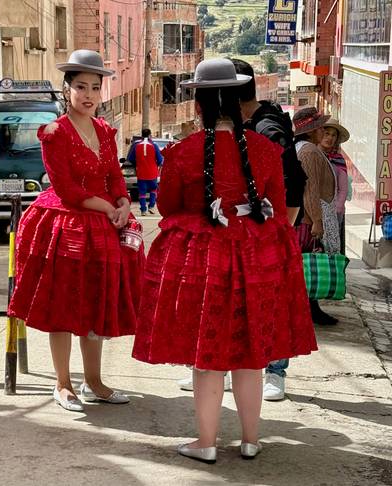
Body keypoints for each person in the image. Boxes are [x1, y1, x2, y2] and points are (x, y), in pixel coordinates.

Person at [132, 58, 317, 463]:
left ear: (198, 105)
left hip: (203, 262)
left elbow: (167, 206)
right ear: (239, 101)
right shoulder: (266, 149)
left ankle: (207, 442)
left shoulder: (183, 152)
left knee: (208, 358)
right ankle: (251, 439)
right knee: (252, 357)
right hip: (259, 258)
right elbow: (275, 198)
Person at [8, 50, 144, 412]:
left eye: (95, 88)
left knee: (95, 303)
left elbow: (115, 174)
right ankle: (63, 383)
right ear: (66, 90)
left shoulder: (104, 129)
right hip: (65, 225)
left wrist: (123, 202)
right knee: (64, 305)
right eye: (81, 86)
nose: (88, 94)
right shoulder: (54, 133)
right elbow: (67, 189)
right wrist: (108, 207)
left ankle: (94, 382)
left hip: (102, 226)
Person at [232, 59, 308, 401]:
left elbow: (294, 182)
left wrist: (282, 229)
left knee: (273, 304)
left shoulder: (267, 129)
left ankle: (275, 372)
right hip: (247, 234)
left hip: (269, 234)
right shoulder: (246, 122)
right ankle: (235, 367)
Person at [293, 106, 340, 325]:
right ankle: (309, 309)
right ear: (311, 130)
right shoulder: (309, 151)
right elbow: (309, 189)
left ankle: (310, 308)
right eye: (320, 126)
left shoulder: (305, 148)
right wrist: (317, 221)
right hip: (309, 219)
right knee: (310, 263)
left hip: (310, 216)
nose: (323, 129)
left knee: (308, 264)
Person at [319, 119, 350, 254]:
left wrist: (336, 209)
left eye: (333, 135)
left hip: (334, 211)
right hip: (314, 209)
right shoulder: (311, 154)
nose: (330, 138)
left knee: (332, 250)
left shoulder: (338, 159)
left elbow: (343, 189)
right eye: (326, 133)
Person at [127, 128, 164, 216]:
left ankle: (143, 210)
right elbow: (159, 160)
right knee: (153, 190)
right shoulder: (154, 145)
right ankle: (151, 206)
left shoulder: (136, 144)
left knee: (142, 192)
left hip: (141, 172)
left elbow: (130, 159)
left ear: (141, 135)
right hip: (152, 172)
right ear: (150, 135)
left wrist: (138, 163)